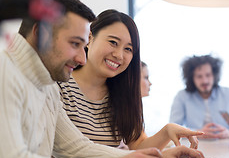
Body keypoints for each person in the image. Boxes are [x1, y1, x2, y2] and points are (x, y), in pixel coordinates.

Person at [0, 0, 208, 158]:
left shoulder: (46, 86)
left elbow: (77, 148)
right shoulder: (6, 72)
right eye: (75, 43)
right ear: (41, 34)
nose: (82, 57)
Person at [58, 10, 201, 150]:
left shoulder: (122, 95)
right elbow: (70, 152)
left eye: (128, 49)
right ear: (89, 39)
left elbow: (138, 146)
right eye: (113, 42)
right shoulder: (59, 86)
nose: (119, 55)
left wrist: (167, 131)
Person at [169, 54, 229, 139]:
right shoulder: (182, 96)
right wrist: (196, 133)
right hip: (195, 147)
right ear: (192, 78)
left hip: (226, 146)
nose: (205, 81)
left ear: (214, 75)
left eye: (208, 75)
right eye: (199, 76)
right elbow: (173, 129)